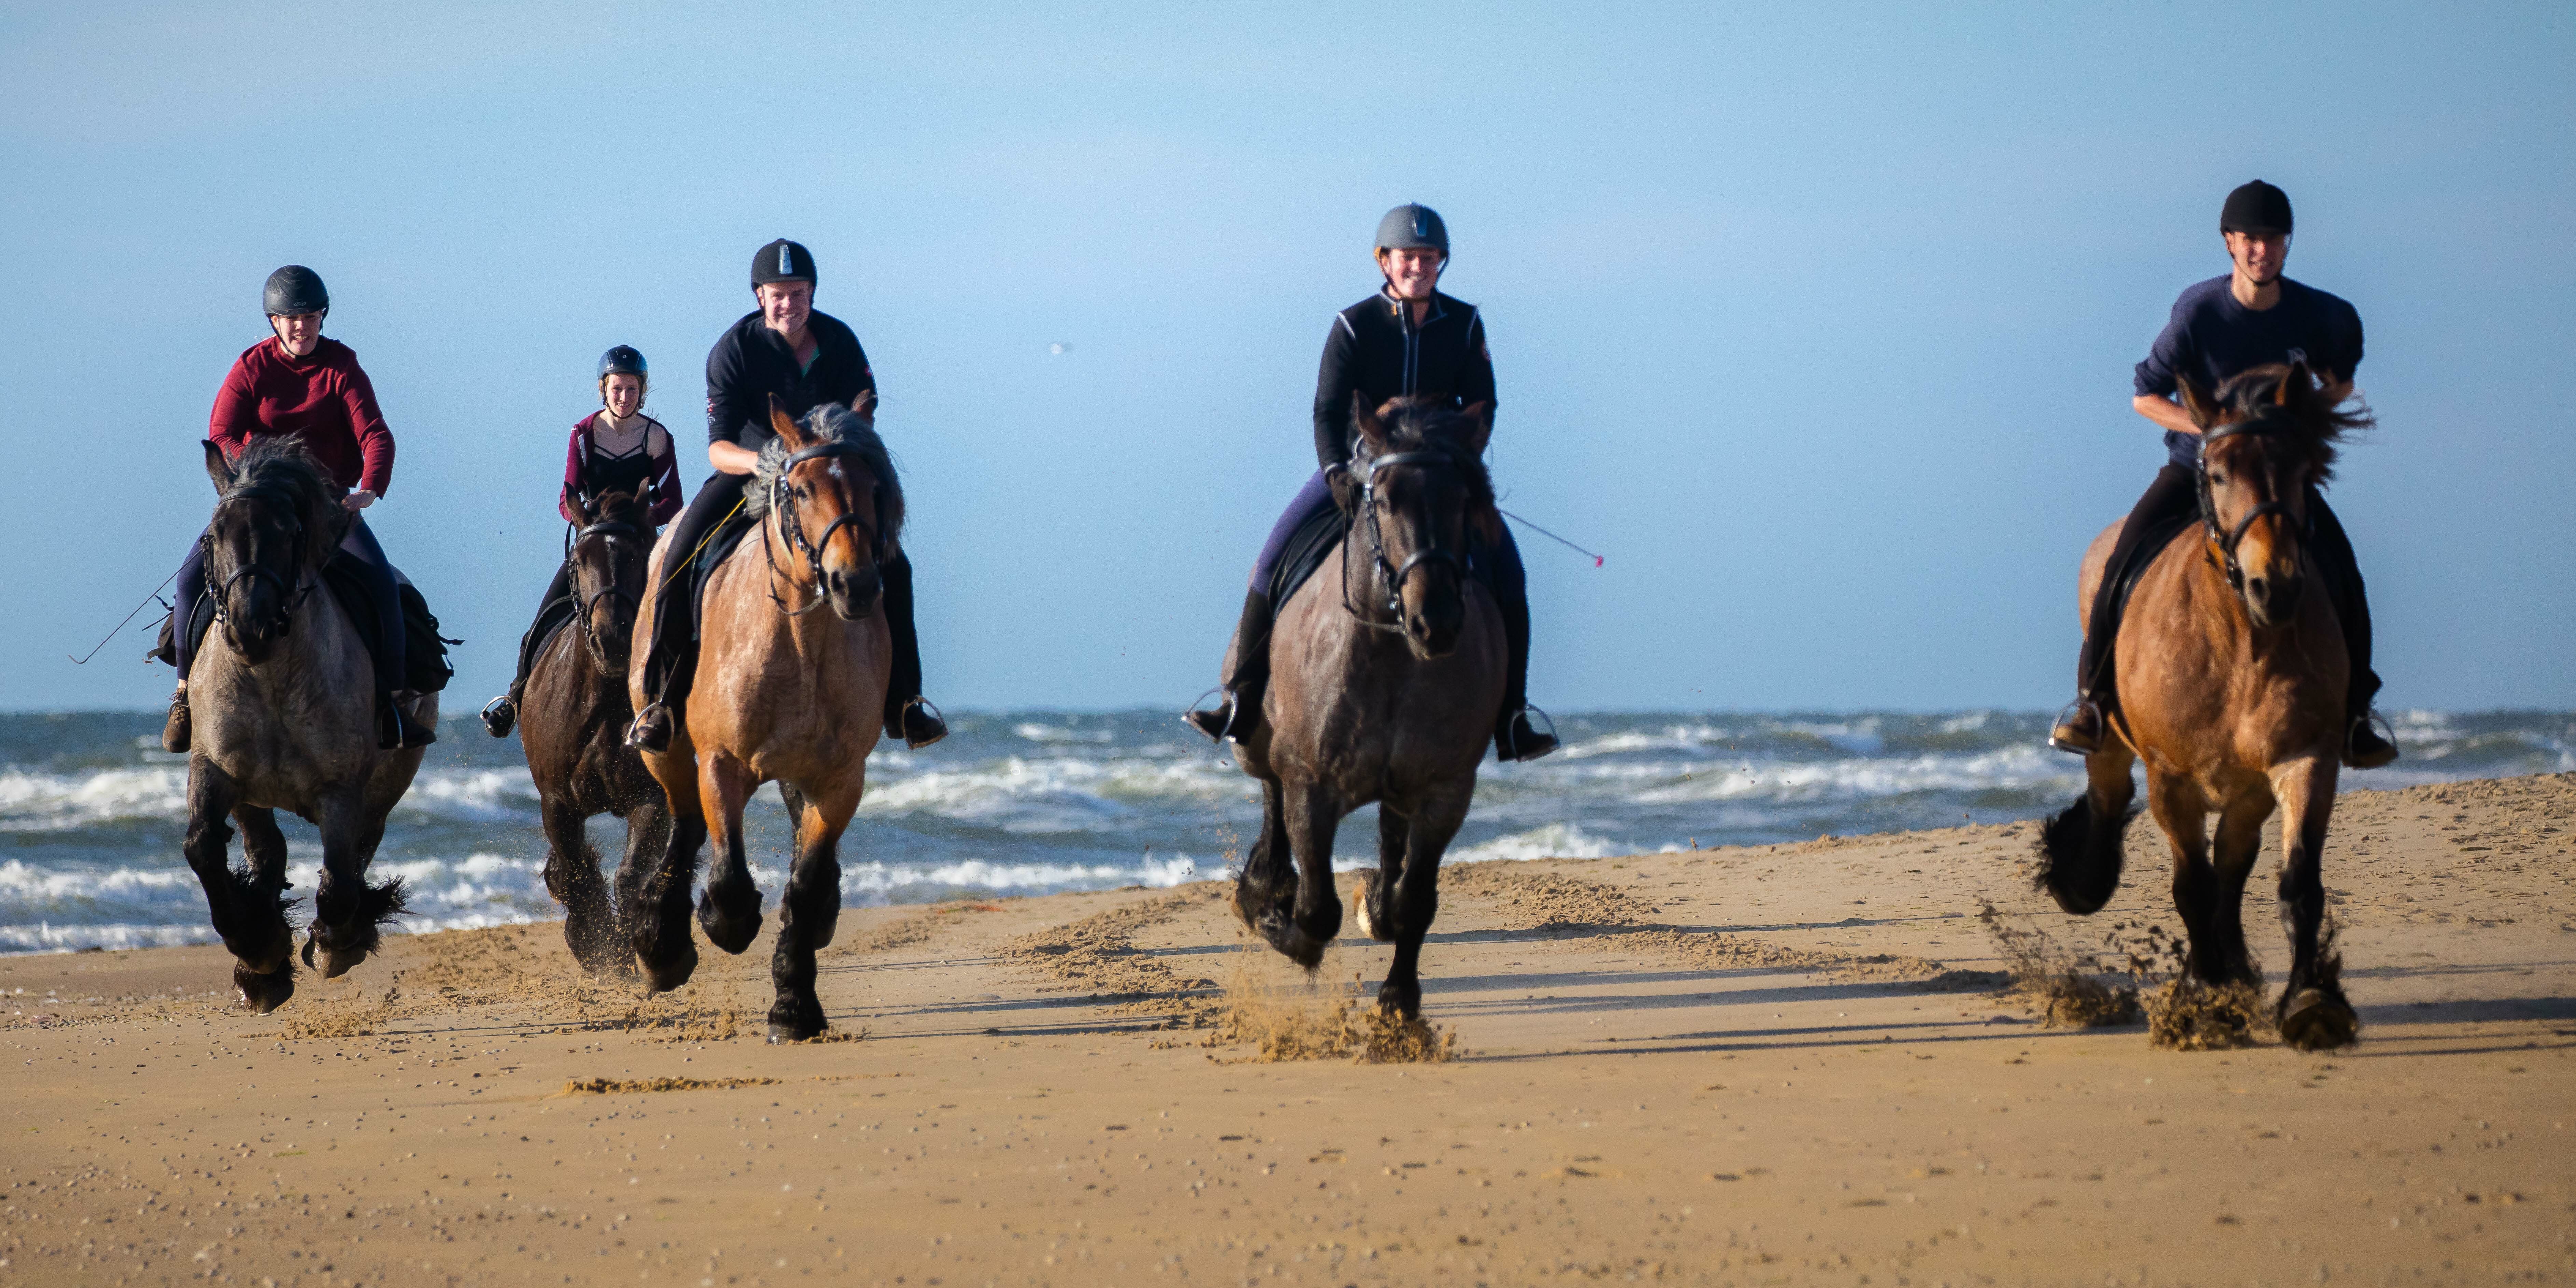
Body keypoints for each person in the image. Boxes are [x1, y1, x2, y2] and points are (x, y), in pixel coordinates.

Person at [1184, 204, 1558, 761]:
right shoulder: (1353, 325)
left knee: (1510, 572)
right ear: (1385, 261)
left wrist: (1458, 460)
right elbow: (1326, 410)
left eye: (1428, 258)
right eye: (1408, 257)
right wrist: (1335, 469)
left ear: (1441, 263)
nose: (1418, 267)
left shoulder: (1464, 325)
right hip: (1359, 468)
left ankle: (1511, 717)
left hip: (1437, 476)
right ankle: (1238, 699)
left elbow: (1485, 405)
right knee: (1269, 560)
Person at [2050, 179, 2396, 769]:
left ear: (2287, 245)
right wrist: (2211, 436)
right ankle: (2091, 705)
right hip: (2195, 472)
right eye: (2250, 240)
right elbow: (2144, 397)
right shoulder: (2198, 313)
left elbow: (2338, 382)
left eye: (2273, 240)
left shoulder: (2320, 314)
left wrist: (2302, 425)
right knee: (2117, 567)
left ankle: (2357, 715)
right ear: (2229, 244)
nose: (2262, 251)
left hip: (2275, 486)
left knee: (2345, 576)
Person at [624, 238, 948, 753]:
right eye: (777, 294)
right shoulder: (733, 350)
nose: (788, 304)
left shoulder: (840, 342)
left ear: (812, 293)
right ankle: (662, 701)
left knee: (896, 565)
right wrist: (766, 463)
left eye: (797, 293)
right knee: (679, 558)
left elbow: (858, 425)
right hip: (750, 470)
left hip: (822, 481)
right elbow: (719, 449)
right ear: (759, 295)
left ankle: (906, 703)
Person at [161, 265, 435, 753]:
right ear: (273, 321)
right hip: (260, 499)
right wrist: (264, 466)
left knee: (379, 581)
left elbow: (375, 434)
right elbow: (220, 432)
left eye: (309, 317)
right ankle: (184, 695)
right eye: (290, 319)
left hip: (326, 505)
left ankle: (391, 702)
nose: (300, 327)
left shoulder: (342, 367)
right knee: (187, 580)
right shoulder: (251, 368)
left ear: (322, 317)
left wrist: (371, 487)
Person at [478, 345, 684, 737]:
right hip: (594, 543)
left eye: (631, 389)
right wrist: (587, 521)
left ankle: (682, 700)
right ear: (603, 389)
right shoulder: (584, 433)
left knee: (679, 610)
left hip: (639, 543)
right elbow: (566, 496)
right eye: (616, 389)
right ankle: (514, 697)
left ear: (643, 390)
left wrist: (641, 520)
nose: (624, 397)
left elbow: (673, 499)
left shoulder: (657, 437)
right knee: (544, 618)